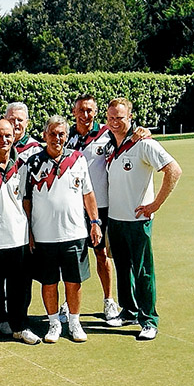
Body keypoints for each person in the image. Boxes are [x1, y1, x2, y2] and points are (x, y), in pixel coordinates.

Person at [66, 94, 152, 322]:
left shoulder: (107, 134)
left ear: (96, 113)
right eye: (81, 111)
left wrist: (142, 130)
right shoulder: (66, 137)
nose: (85, 115)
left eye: (90, 111)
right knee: (72, 256)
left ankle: (109, 300)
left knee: (102, 255)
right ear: (74, 112)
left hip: (103, 206)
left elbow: (131, 137)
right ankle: (68, 303)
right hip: (73, 207)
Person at [104, 98, 182, 340]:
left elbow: (174, 170)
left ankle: (149, 319)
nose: (115, 123)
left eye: (120, 118)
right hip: (115, 220)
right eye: (111, 118)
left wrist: (155, 204)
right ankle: (128, 310)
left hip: (138, 221)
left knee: (143, 271)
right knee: (122, 268)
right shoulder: (109, 145)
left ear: (130, 117)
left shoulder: (144, 143)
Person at [23, 116, 102, 343]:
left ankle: (75, 322)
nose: (57, 138)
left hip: (75, 233)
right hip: (44, 236)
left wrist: (95, 222)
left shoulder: (78, 159)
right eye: (53, 134)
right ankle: (54, 323)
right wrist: (29, 231)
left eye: (61, 134)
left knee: (73, 281)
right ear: (45, 135)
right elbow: (27, 200)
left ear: (66, 136)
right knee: (48, 282)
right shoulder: (33, 162)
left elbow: (88, 193)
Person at [0, 119, 40, 350]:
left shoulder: (23, 164)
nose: (4, 140)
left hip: (18, 236)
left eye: (8, 136)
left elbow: (26, 200)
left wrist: (31, 231)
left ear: (14, 136)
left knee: (20, 287)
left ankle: (20, 325)